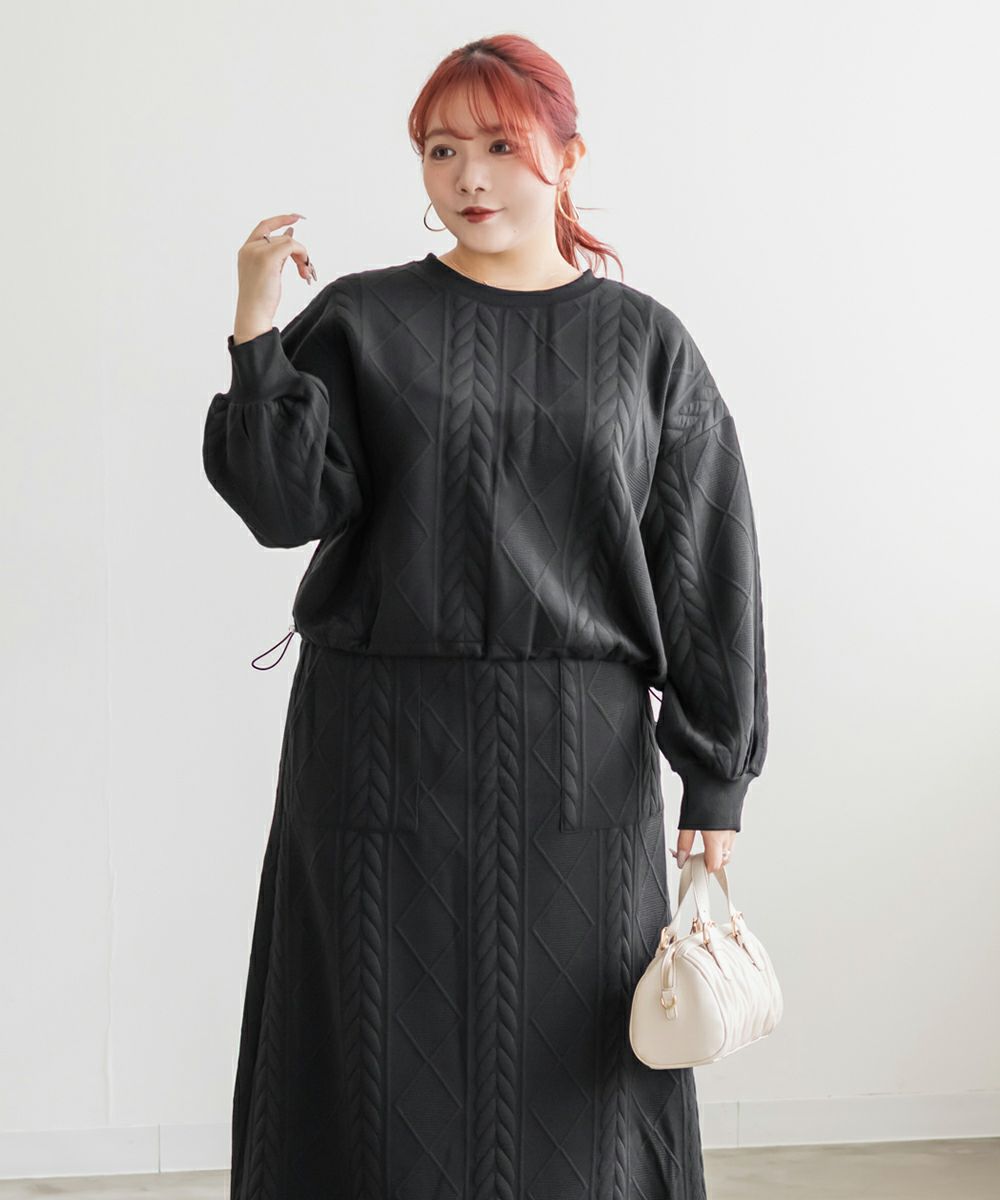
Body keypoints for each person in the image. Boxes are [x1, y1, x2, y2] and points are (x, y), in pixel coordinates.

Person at [202, 32, 768, 1200]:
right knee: (368, 1073)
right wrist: (257, 330)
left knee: (578, 1094)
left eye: (501, 146)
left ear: (568, 156)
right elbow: (281, 508)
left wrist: (714, 776)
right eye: (441, 149)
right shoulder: (361, 319)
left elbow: (705, 562)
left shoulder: (644, 343)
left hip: (575, 761)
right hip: (375, 750)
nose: (469, 176)